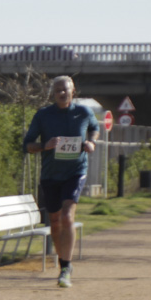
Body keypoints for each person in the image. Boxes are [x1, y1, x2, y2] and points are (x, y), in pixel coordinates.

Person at [23, 75, 99, 288]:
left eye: (65, 90)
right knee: (54, 221)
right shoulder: (43, 115)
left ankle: (66, 266)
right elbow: (27, 145)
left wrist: (91, 142)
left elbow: (94, 127)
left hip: (75, 171)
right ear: (53, 94)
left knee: (67, 216)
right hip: (50, 174)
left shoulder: (83, 112)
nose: (62, 94)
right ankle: (62, 262)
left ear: (73, 91)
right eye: (58, 91)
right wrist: (45, 145)